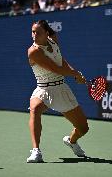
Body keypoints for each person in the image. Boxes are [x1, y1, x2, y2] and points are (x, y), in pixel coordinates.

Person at [27, 20, 89, 163]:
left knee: (83, 128)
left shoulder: (53, 41)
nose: (34, 35)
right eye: (33, 32)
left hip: (61, 89)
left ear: (47, 33)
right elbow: (56, 69)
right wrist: (76, 74)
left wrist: (75, 73)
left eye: (38, 32)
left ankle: (71, 141)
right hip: (43, 88)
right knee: (35, 108)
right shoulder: (33, 51)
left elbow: (61, 61)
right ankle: (36, 151)